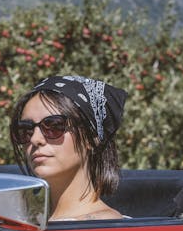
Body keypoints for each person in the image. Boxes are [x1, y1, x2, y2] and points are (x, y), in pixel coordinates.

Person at [9, 75, 128, 221]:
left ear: (92, 137)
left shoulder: (105, 228)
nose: (35, 139)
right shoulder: (19, 225)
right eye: (25, 129)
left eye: (54, 126)